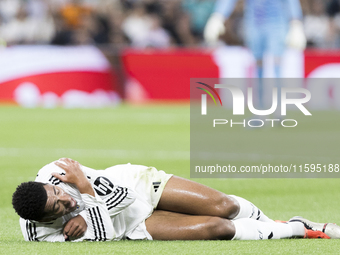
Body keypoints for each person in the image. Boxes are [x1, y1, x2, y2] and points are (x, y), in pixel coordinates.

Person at [12, 158, 340, 242]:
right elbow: (105, 236)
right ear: (42, 221)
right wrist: (91, 215)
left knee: (224, 206)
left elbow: (123, 197)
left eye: (59, 194)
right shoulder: (35, 232)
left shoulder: (58, 172)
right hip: (133, 227)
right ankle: (298, 229)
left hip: (136, 184)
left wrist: (84, 189)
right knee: (217, 227)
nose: (65, 200)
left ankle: (272, 224)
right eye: (58, 208)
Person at [204, 0, 307, 110]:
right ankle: (260, 108)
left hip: (276, 22)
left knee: (276, 64)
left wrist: (296, 22)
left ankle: (279, 107)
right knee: (258, 66)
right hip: (254, 22)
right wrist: (218, 15)